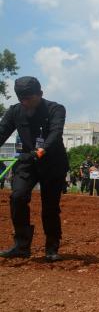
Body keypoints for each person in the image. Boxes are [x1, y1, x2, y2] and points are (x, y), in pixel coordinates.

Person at [0, 77, 69, 261]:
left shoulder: (55, 109)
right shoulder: (15, 111)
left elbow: (56, 132)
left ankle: (52, 248)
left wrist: (43, 149)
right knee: (17, 196)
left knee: (50, 207)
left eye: (29, 98)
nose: (25, 102)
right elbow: (2, 131)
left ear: (40, 94)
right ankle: (21, 245)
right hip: (28, 161)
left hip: (52, 162)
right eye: (21, 98)